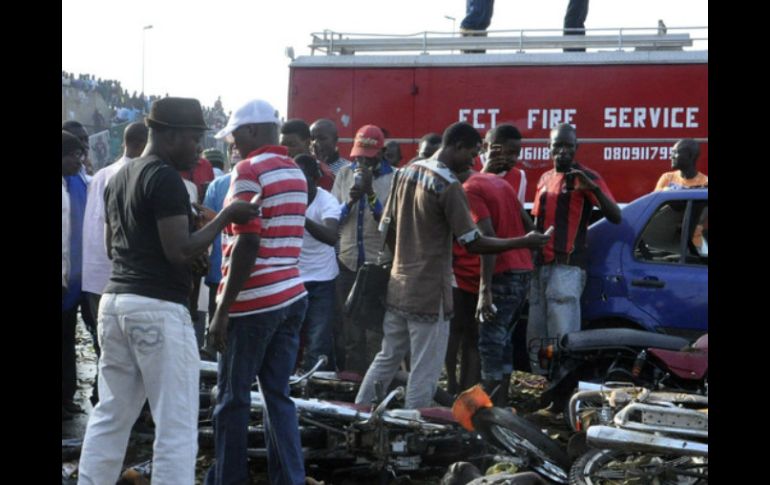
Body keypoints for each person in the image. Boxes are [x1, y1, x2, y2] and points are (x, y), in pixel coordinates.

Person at [77, 97, 260, 485]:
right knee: (176, 423)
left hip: (115, 302)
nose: (198, 149)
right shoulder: (164, 178)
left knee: (111, 414)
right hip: (158, 307)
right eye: (194, 139)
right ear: (170, 135)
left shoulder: (120, 177)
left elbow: (114, 247)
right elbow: (179, 251)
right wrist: (226, 217)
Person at [354, 122, 551, 409]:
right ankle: (412, 430)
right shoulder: (448, 185)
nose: (474, 161)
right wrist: (523, 241)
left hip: (398, 285)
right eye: (472, 153)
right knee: (425, 369)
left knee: (387, 356)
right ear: (456, 146)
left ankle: (360, 416)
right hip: (430, 292)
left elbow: (388, 229)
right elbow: (474, 242)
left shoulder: (406, 171)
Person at [205, 99, 310, 485]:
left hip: (253, 302)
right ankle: (290, 479)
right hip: (291, 293)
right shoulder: (295, 172)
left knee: (231, 401)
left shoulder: (248, 170)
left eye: (234, 135)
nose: (232, 144)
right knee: (277, 396)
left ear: (252, 131)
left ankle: (229, 480)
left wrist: (222, 310)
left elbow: (248, 243)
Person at [526, 123, 621, 374]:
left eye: (569, 146)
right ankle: (546, 383)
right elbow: (537, 220)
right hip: (540, 268)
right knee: (540, 335)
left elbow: (615, 216)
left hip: (567, 268)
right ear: (549, 147)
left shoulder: (585, 177)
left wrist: (595, 189)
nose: (563, 151)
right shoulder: (545, 178)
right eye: (558, 145)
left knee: (563, 334)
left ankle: (564, 387)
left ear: (577, 148)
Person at [447, 168, 534, 405]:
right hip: (522, 270)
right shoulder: (497, 181)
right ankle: (501, 406)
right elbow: (528, 224)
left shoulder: (469, 190)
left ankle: (487, 413)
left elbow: (486, 238)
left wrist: (484, 290)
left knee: (489, 345)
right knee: (503, 342)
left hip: (503, 274)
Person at [80, 121, 148, 406]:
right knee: (124, 350)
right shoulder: (136, 175)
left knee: (104, 345)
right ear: (140, 144)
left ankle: (104, 398)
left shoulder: (101, 175)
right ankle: (115, 404)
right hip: (121, 277)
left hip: (95, 274)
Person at [331, 124, 395, 373]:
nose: (362, 162)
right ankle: (353, 387)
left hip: (378, 264)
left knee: (376, 335)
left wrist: (369, 194)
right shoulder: (344, 175)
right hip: (348, 261)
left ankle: (374, 387)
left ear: (381, 153)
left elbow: (389, 224)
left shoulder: (395, 178)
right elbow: (334, 218)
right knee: (350, 332)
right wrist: (351, 200)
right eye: (358, 156)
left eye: (367, 158)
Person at [294, 154, 341, 371]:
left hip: (322, 281)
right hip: (293, 280)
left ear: (314, 178)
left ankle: (316, 394)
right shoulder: (288, 197)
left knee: (318, 341)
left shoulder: (327, 201)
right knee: (289, 339)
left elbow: (331, 236)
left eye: (302, 178)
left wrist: (301, 218)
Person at [281, 118, 335, 190]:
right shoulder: (277, 171)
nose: (286, 150)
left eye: (292, 145)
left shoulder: (322, 174)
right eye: (282, 145)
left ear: (307, 143)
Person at [481, 124, 527, 204]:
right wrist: (484, 174)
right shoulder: (470, 165)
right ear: (487, 147)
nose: (514, 159)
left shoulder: (519, 176)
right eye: (509, 153)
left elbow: (517, 211)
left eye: (517, 154)